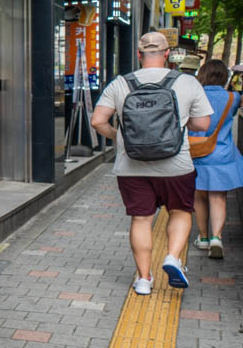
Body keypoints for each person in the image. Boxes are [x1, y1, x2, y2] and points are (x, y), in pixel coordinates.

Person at [91, 31, 213, 295]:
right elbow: (203, 123)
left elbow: (97, 121)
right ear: (167, 54)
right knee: (180, 212)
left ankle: (144, 279)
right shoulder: (187, 82)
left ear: (139, 54)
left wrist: (119, 137)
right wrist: (179, 124)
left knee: (141, 220)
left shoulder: (121, 83)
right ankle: (172, 257)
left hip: (131, 166)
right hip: (177, 166)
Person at [191, 60, 243, 259]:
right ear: (225, 77)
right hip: (222, 155)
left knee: (199, 196)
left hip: (197, 152)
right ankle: (216, 238)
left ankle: (203, 238)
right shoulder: (233, 97)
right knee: (218, 197)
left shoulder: (195, 96)